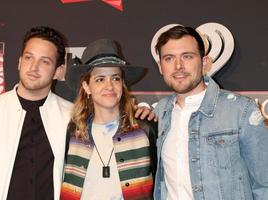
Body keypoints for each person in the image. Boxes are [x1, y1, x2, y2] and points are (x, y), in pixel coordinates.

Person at [152, 25, 268, 200]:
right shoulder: (160, 112)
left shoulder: (241, 110)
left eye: (187, 56)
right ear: (161, 66)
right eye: (169, 58)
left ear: (204, 62)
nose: (178, 66)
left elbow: (264, 184)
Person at [0, 26, 74, 200]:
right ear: (19, 62)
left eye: (45, 61)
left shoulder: (71, 116)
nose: (34, 67)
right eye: (28, 58)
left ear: (58, 71)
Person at [60, 38, 157, 200]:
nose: (109, 86)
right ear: (86, 87)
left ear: (123, 84)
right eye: (100, 79)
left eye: (115, 78)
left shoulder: (145, 129)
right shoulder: (75, 131)